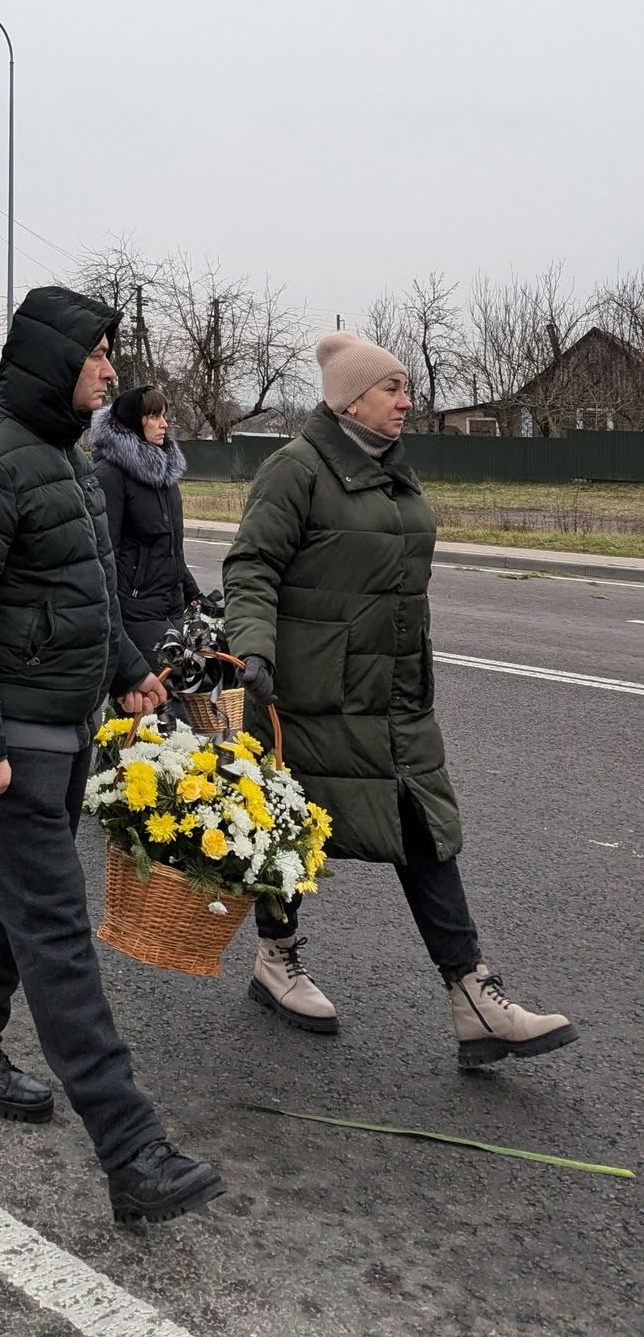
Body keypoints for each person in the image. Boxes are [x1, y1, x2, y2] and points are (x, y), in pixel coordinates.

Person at [0, 285, 220, 1228]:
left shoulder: (66, 459)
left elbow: (82, 589)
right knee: (55, 929)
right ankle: (131, 1152)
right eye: (98, 354)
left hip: (65, 721)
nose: (112, 370)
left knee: (7, 903)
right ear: (58, 361)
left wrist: (131, 670)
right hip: (13, 732)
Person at [223, 333, 577, 1067]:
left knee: (423, 830)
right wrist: (253, 646)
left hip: (394, 692)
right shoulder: (296, 470)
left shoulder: (394, 474)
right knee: (290, 829)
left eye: (406, 388)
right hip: (311, 694)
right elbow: (252, 564)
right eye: (393, 389)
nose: (408, 401)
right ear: (352, 398)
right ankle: (276, 956)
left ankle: (473, 996)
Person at [90, 385, 202, 663]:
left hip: (172, 608)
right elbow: (104, 553)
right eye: (153, 416)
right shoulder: (110, 474)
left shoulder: (165, 474)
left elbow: (169, 547)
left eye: (164, 415)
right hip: (136, 613)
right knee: (152, 701)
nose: (163, 424)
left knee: (180, 696)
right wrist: (120, 607)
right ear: (132, 421)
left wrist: (191, 590)